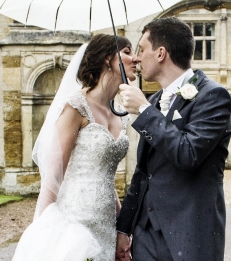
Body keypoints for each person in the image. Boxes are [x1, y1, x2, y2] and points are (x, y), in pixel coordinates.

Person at [12, 34, 138, 261]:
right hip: (74, 222)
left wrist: (122, 226)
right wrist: (42, 235)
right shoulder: (76, 106)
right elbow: (52, 178)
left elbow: (104, 175)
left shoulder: (122, 113)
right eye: (127, 52)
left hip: (106, 222)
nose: (135, 59)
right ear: (108, 59)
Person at [116, 16, 231, 261]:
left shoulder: (213, 96)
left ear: (160, 53)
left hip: (190, 235)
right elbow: (143, 172)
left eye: (141, 50)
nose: (136, 58)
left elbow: (188, 154)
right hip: (146, 235)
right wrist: (124, 228)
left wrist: (146, 112)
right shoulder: (156, 100)